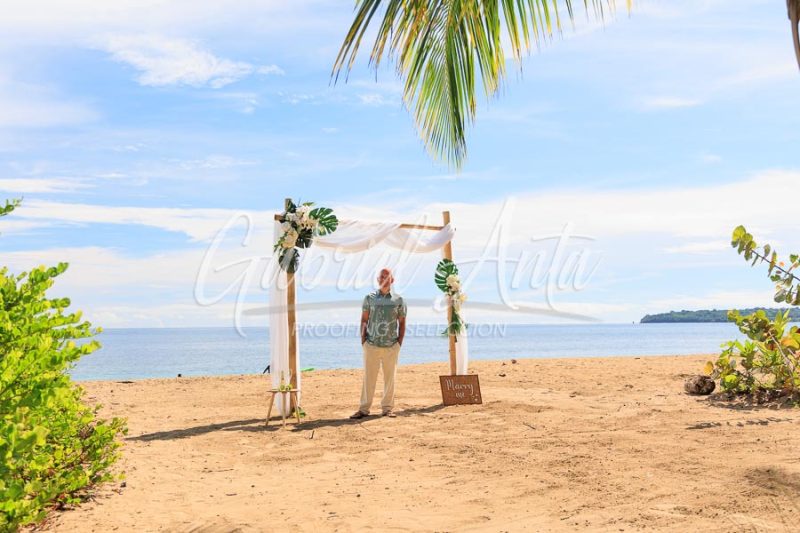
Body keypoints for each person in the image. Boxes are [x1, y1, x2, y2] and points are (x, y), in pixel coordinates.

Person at [350, 268, 406, 419]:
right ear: (378, 279)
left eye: (387, 276)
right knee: (369, 378)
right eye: (381, 277)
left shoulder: (399, 300)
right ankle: (363, 409)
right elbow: (364, 320)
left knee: (390, 379)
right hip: (372, 345)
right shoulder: (369, 298)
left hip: (391, 346)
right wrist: (363, 341)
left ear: (392, 280)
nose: (384, 279)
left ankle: (387, 409)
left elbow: (402, 323)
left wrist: (398, 343)